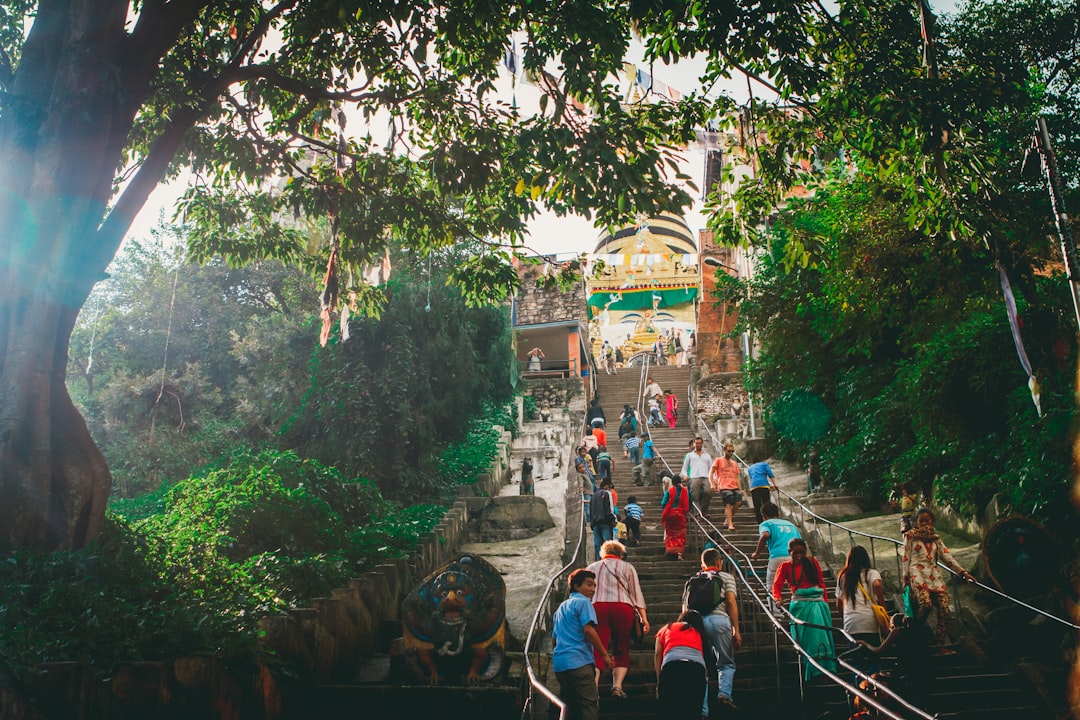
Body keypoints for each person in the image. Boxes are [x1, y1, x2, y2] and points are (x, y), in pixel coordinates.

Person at [902, 507, 975, 654]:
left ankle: (939, 645)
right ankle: (916, 631)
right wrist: (905, 577)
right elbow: (905, 557)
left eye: (927, 520)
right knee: (926, 604)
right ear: (916, 522)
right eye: (921, 521)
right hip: (917, 575)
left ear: (932, 521)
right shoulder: (910, 536)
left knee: (944, 609)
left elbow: (947, 557)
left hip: (935, 577)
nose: (924, 524)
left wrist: (963, 572)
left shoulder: (936, 539)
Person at [587, 540, 650, 698]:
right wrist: (643, 617)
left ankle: (593, 687)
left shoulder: (592, 567)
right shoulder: (628, 567)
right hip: (622, 608)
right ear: (621, 554)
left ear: (603, 553)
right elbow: (636, 593)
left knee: (597, 648)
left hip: (598, 608)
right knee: (621, 648)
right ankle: (617, 686)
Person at [682, 547, 741, 713]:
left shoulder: (692, 580)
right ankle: (724, 695)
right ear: (719, 562)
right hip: (719, 621)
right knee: (726, 662)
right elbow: (730, 602)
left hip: (696, 624)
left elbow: (685, 609)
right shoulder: (726, 577)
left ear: (703, 565)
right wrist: (736, 629)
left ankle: (702, 709)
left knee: (700, 666)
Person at [552, 569, 614, 720]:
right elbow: (588, 630)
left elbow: (554, 639)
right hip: (579, 662)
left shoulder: (560, 608)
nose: (593, 589)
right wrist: (605, 655)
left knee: (570, 707)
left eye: (594, 586)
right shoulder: (584, 602)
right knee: (588, 705)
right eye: (589, 585)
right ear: (577, 586)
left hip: (560, 665)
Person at [773, 537, 836, 680]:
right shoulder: (785, 566)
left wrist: (825, 603)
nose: (799, 555)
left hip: (818, 604)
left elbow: (821, 583)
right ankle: (812, 670)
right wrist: (778, 599)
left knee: (821, 636)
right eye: (796, 553)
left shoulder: (812, 562)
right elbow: (776, 586)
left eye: (802, 552)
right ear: (789, 552)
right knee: (807, 640)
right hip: (800, 606)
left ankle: (825, 671)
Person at [853, 613, 934, 710]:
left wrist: (864, 643)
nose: (890, 629)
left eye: (891, 626)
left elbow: (878, 650)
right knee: (921, 696)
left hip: (907, 669)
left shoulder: (897, 631)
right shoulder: (917, 633)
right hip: (924, 667)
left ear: (894, 624)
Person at [836, 545, 887, 669]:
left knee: (857, 663)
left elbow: (839, 604)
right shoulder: (872, 573)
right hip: (870, 622)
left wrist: (844, 617)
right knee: (874, 659)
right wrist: (882, 605)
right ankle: (875, 680)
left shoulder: (843, 576)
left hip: (851, 623)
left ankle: (859, 681)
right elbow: (877, 585)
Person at [653, 610, 709, 720]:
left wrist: (660, 681)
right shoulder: (699, 632)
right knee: (692, 712)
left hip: (672, 668)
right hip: (696, 670)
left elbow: (657, 654)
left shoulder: (667, 628)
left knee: (669, 710)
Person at [751, 502, 801, 591]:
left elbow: (765, 535)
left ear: (764, 516)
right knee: (796, 584)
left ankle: (772, 599)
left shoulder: (766, 524)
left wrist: (757, 553)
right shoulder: (791, 525)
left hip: (777, 556)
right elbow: (800, 542)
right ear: (778, 514)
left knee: (772, 586)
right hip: (793, 556)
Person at [709, 442, 742, 531]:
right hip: (724, 486)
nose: (731, 453)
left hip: (734, 485)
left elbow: (736, 477)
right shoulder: (718, 460)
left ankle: (727, 520)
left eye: (732, 451)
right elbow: (711, 472)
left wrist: (740, 489)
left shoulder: (734, 463)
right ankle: (730, 524)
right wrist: (712, 483)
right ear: (724, 450)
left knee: (738, 502)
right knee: (728, 503)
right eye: (729, 451)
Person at [680, 436, 712, 516]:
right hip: (694, 477)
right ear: (694, 444)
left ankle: (703, 511)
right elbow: (684, 468)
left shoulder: (707, 456)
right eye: (696, 443)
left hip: (705, 477)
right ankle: (697, 514)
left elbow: (711, 468)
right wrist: (685, 476)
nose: (698, 445)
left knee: (708, 492)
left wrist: (713, 479)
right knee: (695, 495)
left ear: (702, 444)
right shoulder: (689, 455)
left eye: (700, 443)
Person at [661, 473, 690, 560]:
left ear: (672, 483)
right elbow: (689, 501)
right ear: (680, 482)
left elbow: (663, 503)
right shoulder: (685, 491)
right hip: (680, 516)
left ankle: (669, 551)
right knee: (681, 535)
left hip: (670, 515)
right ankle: (680, 554)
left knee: (670, 534)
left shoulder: (669, 491)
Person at [589, 480, 617, 561]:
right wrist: (613, 519)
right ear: (607, 486)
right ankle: (608, 561)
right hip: (605, 521)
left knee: (598, 544)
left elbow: (591, 510)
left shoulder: (594, 495)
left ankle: (599, 561)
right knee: (607, 543)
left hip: (595, 522)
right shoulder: (606, 493)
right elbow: (610, 509)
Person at [746, 460, 777, 524]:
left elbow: (752, 478)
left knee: (757, 505)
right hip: (764, 485)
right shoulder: (764, 464)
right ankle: (768, 520)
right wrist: (775, 485)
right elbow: (770, 474)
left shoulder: (750, 468)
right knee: (766, 504)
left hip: (754, 487)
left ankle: (760, 522)